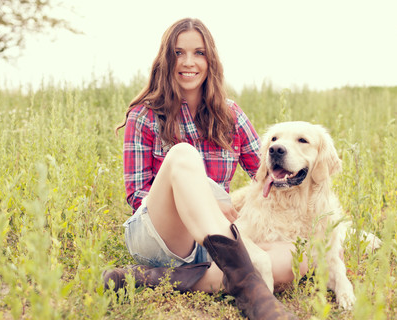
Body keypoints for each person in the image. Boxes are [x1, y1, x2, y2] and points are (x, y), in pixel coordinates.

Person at [104, 18, 301, 320]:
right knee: (183, 154)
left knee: (296, 258)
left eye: (198, 53)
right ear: (165, 60)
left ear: (210, 60)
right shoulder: (144, 115)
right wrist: (208, 197)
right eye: (178, 53)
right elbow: (136, 195)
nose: (188, 62)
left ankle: (150, 279)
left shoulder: (230, 114)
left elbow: (263, 174)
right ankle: (252, 292)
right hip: (160, 235)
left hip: (214, 247)